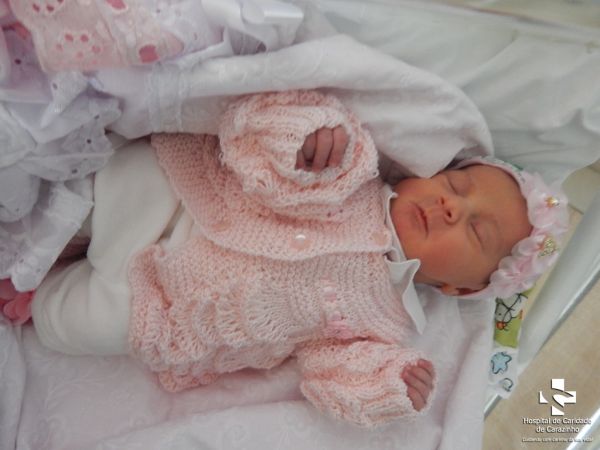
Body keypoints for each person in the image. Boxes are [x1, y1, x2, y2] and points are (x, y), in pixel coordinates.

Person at [28, 90, 568, 428]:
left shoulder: (383, 327)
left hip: (167, 304)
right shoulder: (358, 177)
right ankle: (36, 236)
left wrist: (386, 383)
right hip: (181, 199)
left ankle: (36, 288)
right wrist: (308, 142)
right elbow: (271, 148)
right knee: (125, 176)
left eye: (476, 230)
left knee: (84, 326)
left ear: (460, 289)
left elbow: (329, 373)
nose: (452, 207)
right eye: (456, 184)